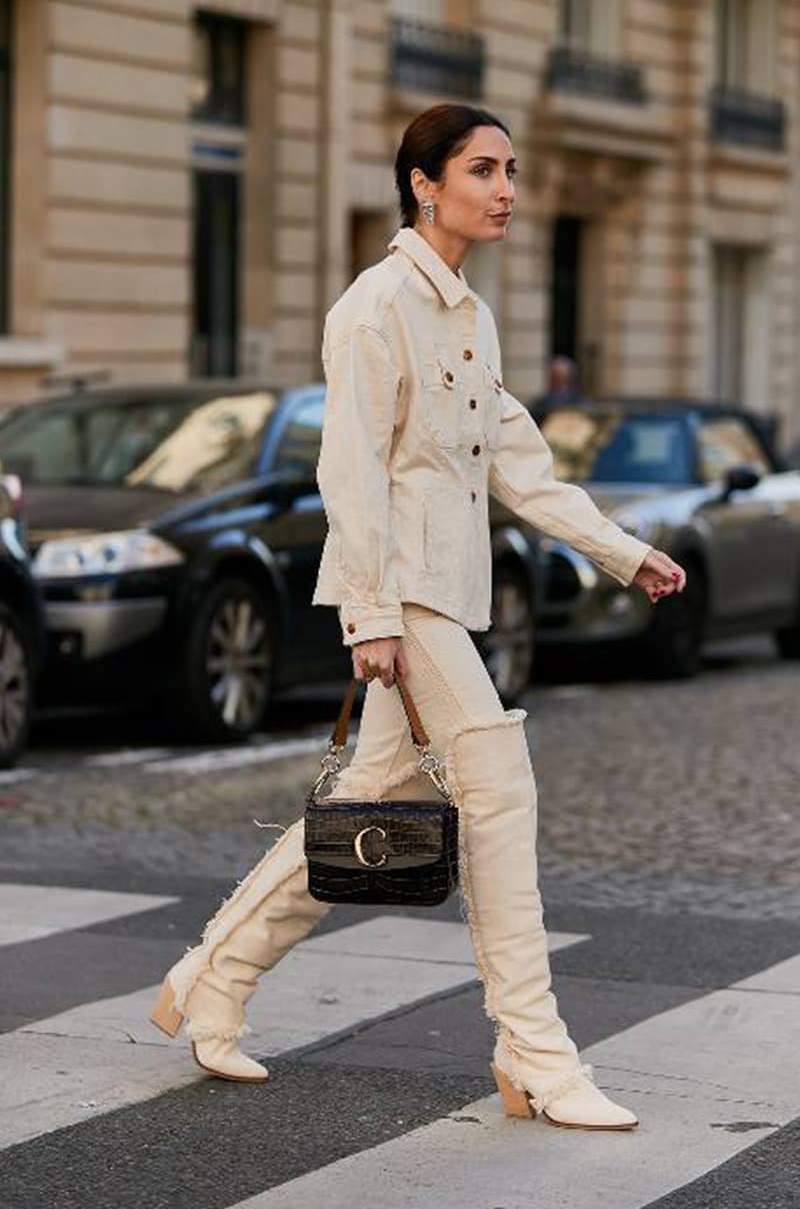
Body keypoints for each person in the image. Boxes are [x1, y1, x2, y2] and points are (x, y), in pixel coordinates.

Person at [151, 103, 686, 1131]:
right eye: (483, 169)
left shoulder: (471, 320)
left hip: (451, 598)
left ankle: (211, 977)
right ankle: (532, 1052)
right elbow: (346, 474)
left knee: (366, 804)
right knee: (498, 780)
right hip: (404, 600)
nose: (505, 190)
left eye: (512, 170)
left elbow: (519, 468)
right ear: (422, 184)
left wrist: (624, 550)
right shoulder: (372, 307)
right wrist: (369, 618)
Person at [528, 355, 582, 421]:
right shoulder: (542, 403)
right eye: (554, 375)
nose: (554, 379)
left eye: (559, 375)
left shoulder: (576, 401)